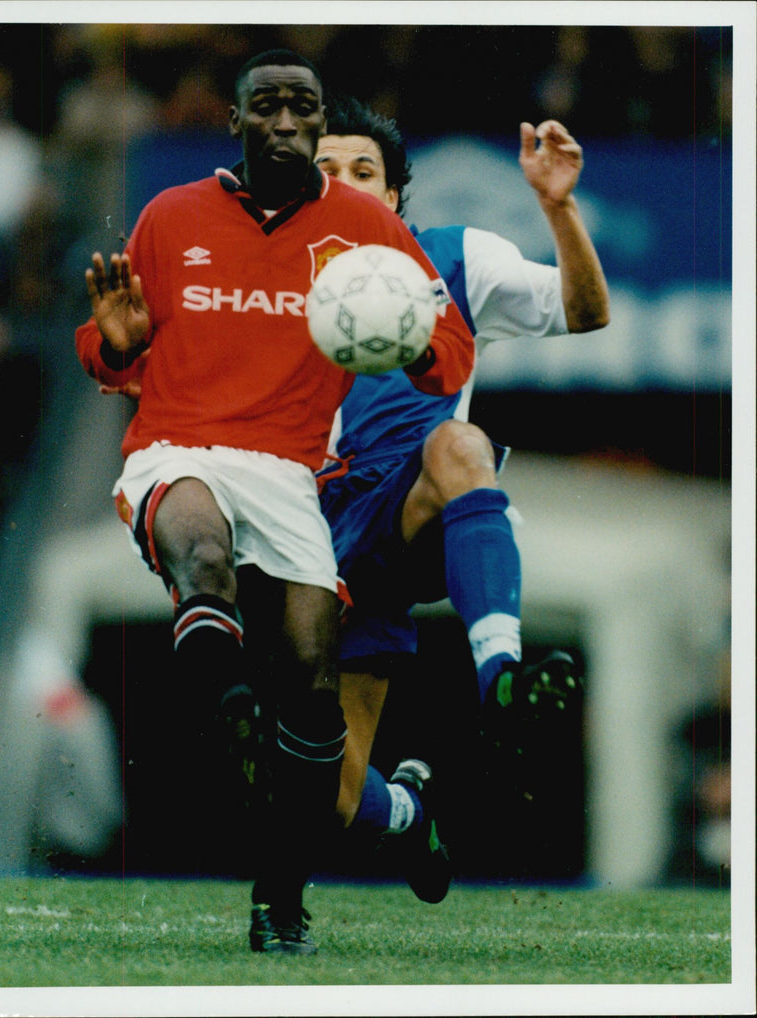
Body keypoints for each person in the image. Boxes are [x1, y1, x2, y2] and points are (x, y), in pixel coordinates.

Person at [75, 51, 474, 955]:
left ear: (317, 117)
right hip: (176, 447)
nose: (286, 121)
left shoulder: (365, 224)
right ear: (239, 122)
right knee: (203, 559)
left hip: (291, 474)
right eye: (268, 107)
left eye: (303, 106)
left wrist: (410, 342)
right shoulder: (172, 217)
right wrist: (117, 346)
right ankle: (228, 693)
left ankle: (280, 900)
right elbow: (109, 354)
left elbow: (449, 347)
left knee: (316, 709)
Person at [313, 96, 610, 902]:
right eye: (324, 170)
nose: (343, 184)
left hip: (406, 507)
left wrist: (558, 206)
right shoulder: (266, 281)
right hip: (304, 538)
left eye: (363, 171)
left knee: (460, 444)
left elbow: (586, 312)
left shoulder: (456, 258)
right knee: (328, 800)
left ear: (397, 195)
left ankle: (501, 676)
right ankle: (411, 811)